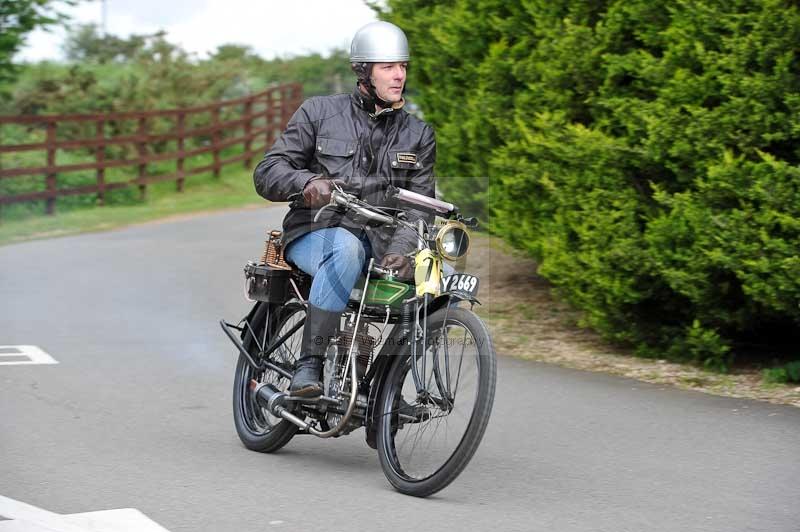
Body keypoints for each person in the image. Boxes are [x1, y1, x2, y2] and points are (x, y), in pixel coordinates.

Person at [253, 21, 437, 397]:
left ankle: (383, 392)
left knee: (438, 274)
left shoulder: (419, 134)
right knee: (344, 249)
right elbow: (268, 171)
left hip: (381, 245)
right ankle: (311, 366)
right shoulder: (319, 112)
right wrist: (306, 183)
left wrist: (403, 251)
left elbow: (419, 207)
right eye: (388, 66)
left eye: (403, 65)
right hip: (314, 233)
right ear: (363, 71)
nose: (399, 74)